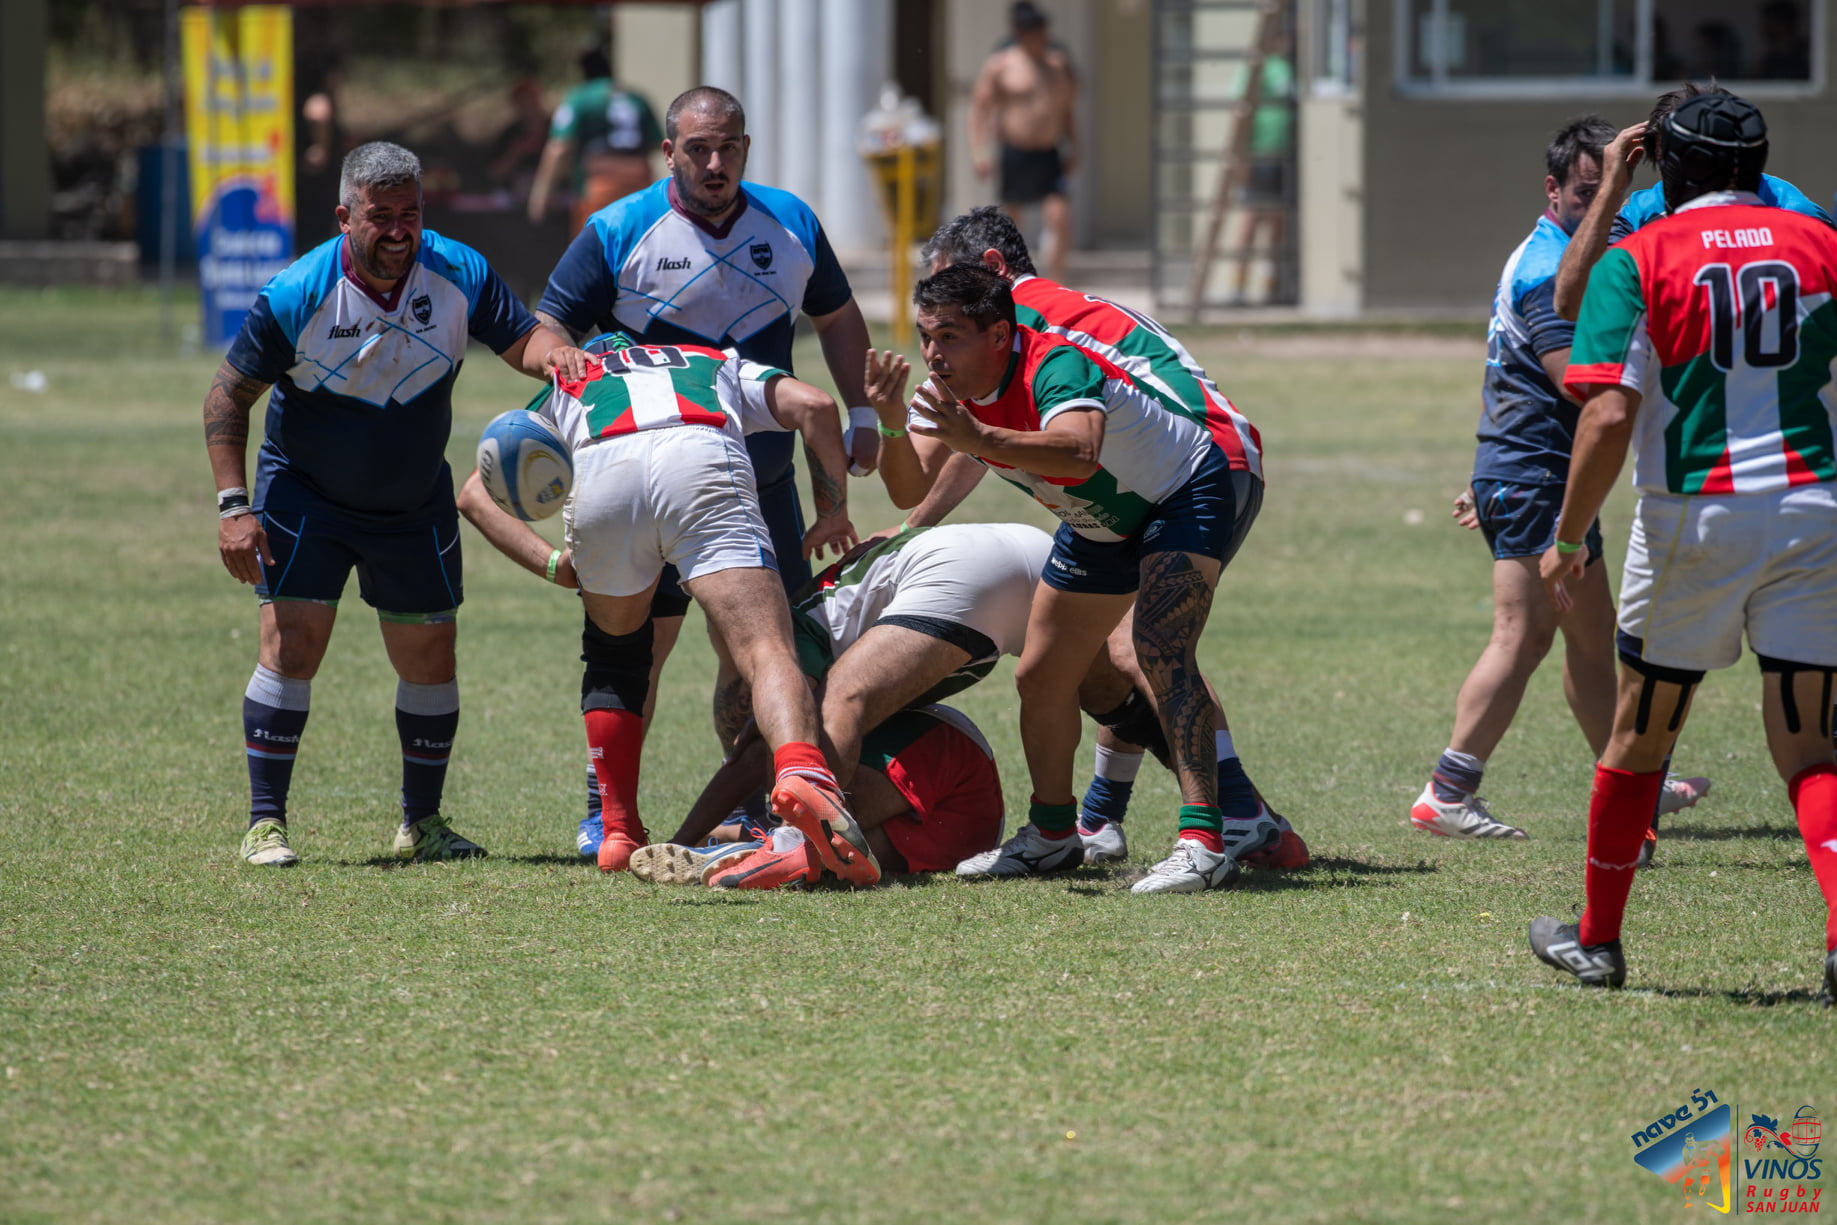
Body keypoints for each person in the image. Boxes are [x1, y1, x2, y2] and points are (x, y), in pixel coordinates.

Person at [1526, 94, 1837, 1005]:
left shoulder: (1640, 253)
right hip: (1813, 512)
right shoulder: (1820, 244)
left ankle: (1597, 941)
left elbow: (1608, 411)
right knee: (1812, 745)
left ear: (1668, 168)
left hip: (1694, 518)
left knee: (1640, 734)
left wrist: (1570, 534)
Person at [206, 141, 588, 868]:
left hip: (412, 498)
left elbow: (523, 337)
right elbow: (227, 394)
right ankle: (265, 823)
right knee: (293, 646)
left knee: (430, 655)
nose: (398, 231)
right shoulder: (298, 291)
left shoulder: (457, 271)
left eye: (409, 214)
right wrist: (233, 505)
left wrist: (557, 356)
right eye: (380, 216)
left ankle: (423, 823)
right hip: (305, 493)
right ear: (345, 215)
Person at [535, 86, 878, 850]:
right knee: (640, 649)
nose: (714, 163)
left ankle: (760, 798)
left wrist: (862, 411)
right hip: (646, 475)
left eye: (727, 147)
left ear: (746, 148)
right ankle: (606, 809)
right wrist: (563, 363)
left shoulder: (789, 221)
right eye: (697, 149)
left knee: (762, 645)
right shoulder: (618, 228)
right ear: (668, 153)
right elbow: (552, 323)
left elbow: (836, 314)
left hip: (761, 480)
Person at [870, 265, 1274, 894]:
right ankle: (1054, 836)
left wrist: (978, 437)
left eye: (948, 337)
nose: (932, 353)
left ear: (999, 334)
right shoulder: (944, 389)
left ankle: (1204, 842)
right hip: (1101, 520)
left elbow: (1079, 451)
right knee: (1041, 674)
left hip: (1185, 490)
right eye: (925, 336)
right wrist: (892, 420)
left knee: (1161, 651)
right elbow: (908, 487)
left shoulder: (1055, 364)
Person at [1412, 118, 1710, 844]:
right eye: (1586, 191)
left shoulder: (1561, 251)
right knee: (1523, 635)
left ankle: (1635, 778)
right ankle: (1447, 790)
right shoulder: (1550, 266)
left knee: (1585, 636)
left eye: (1610, 188)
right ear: (1553, 191)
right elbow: (1579, 386)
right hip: (1537, 476)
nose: (1600, 204)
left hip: (1531, 472)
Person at [492, 333, 878, 887]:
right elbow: (815, 405)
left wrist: (555, 563)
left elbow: (473, 493)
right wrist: (831, 511)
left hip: (604, 469)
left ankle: (618, 831)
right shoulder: (710, 360)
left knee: (616, 660)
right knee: (765, 647)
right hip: (699, 454)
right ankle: (802, 774)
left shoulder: (575, 375)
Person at [1551, 83, 1832, 325]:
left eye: (1695, 160)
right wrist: (1610, 188)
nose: (1682, 177)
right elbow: (1571, 304)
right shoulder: (1642, 211)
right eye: (1669, 162)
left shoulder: (1797, 217)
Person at [969, 1, 1078, 284]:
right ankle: (1013, 283)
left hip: (1048, 152)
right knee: (1013, 225)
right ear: (1021, 34)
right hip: (1015, 151)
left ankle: (1057, 282)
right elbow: (980, 109)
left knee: (1060, 218)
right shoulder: (1001, 65)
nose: (1039, 40)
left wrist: (1075, 145)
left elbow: (1066, 111)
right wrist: (979, 151)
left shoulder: (1057, 65)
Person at [526, 41, 662, 235]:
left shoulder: (580, 98)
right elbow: (657, 143)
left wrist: (542, 192)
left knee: (594, 251)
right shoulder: (636, 97)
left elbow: (560, 147)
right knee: (639, 245)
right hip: (640, 180)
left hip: (599, 183)